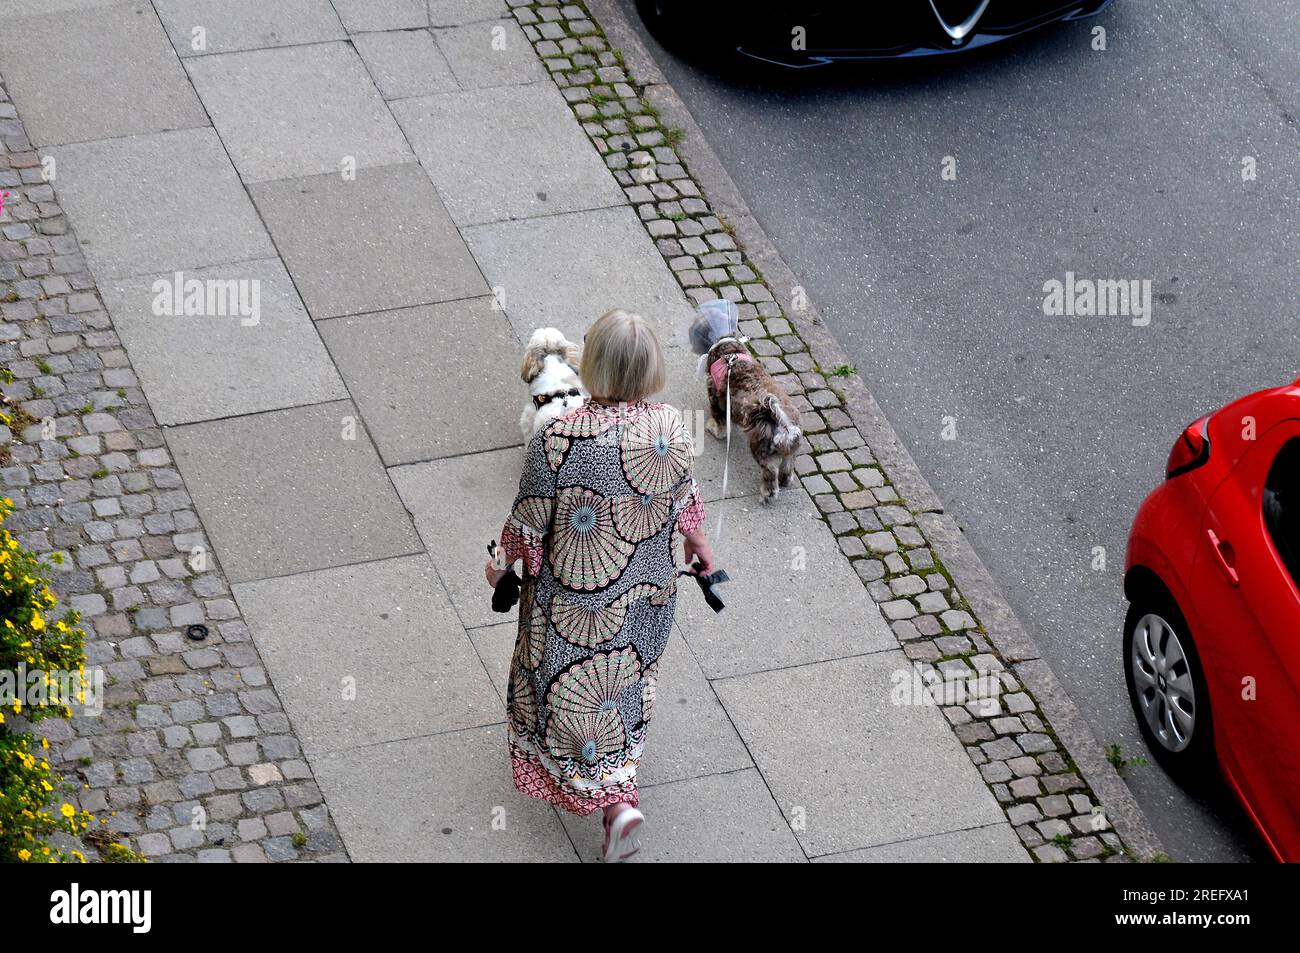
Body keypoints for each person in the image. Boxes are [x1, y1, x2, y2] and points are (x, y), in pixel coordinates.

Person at [485, 309, 715, 863]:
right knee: (622, 685)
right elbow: (682, 496)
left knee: (564, 692)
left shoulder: (559, 438)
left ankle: (614, 804)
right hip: (646, 591)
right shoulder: (670, 427)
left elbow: (527, 523)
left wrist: (500, 567)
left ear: (591, 367)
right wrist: (700, 544)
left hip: (571, 598)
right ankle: (623, 793)